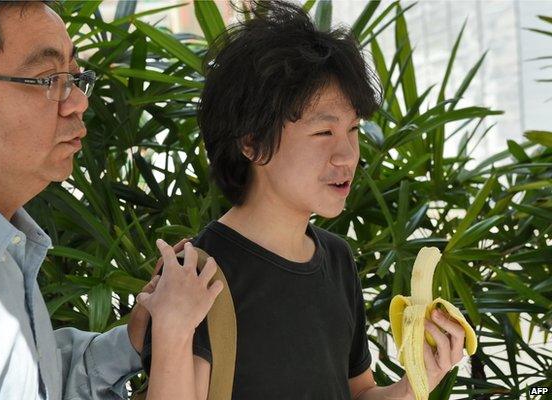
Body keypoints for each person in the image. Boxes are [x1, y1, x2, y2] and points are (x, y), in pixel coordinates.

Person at [140, 1, 470, 399]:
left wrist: (418, 382)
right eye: (323, 133)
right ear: (252, 141)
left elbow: (358, 394)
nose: (347, 155)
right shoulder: (195, 274)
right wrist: (172, 329)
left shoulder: (336, 258)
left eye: (353, 130)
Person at [0, 2, 221, 399]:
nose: (79, 102)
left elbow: (28, 380)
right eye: (48, 79)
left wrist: (133, 340)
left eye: (76, 77)